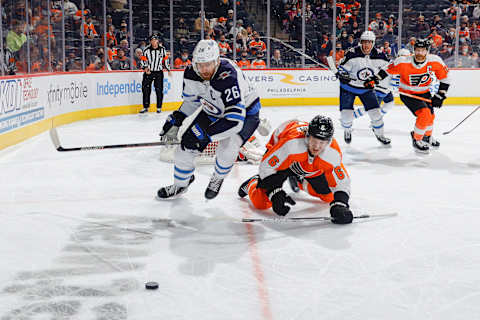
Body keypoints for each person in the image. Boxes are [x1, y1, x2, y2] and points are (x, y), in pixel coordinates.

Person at [157, 39, 261, 200]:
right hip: (212, 109)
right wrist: (178, 118)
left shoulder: (228, 75)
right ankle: (180, 185)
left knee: (228, 148)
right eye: (200, 64)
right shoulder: (191, 73)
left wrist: (207, 136)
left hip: (245, 113)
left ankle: (217, 177)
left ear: (217, 61)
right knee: (185, 147)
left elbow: (234, 121)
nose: (204, 69)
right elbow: (192, 101)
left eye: (208, 64)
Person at [237, 116, 353, 224]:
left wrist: (340, 204)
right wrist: (275, 192)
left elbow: (341, 182)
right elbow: (267, 166)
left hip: (302, 163)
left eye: (321, 142)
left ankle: (300, 181)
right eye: (314, 140)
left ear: (328, 142)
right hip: (283, 160)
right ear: (308, 136)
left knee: (329, 196)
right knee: (261, 203)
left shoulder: (332, 153)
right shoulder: (291, 144)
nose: (316, 147)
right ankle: (252, 183)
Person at [364, 39, 450, 153]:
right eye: (417, 50)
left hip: (425, 92)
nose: (420, 53)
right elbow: (387, 70)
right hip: (408, 94)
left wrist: (440, 94)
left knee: (430, 117)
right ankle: (417, 139)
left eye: (423, 51)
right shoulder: (403, 62)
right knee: (424, 114)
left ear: (427, 51)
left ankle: (426, 137)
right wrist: (374, 80)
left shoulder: (435, 61)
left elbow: (445, 78)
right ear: (414, 50)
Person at [335, 30, 391, 145]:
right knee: (346, 117)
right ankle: (347, 130)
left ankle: (380, 134)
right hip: (348, 88)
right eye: (364, 42)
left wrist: (376, 79)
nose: (366, 45)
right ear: (360, 42)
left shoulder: (380, 55)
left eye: (369, 42)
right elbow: (341, 68)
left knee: (376, 114)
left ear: (373, 43)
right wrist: (343, 76)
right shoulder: (352, 53)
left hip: (367, 89)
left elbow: (388, 69)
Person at [353, 48, 411, 119]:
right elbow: (394, 84)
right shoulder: (397, 66)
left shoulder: (393, 63)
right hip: (380, 89)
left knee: (389, 103)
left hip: (385, 89)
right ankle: (351, 116)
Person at [139, 34, 172, 114]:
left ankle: (159, 107)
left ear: (157, 41)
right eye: (152, 40)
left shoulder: (162, 49)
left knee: (159, 90)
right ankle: (146, 107)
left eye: (155, 40)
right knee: (146, 89)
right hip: (149, 72)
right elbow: (143, 60)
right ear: (150, 41)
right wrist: (145, 68)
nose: (154, 41)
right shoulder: (146, 50)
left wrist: (168, 69)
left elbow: (165, 60)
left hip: (158, 73)